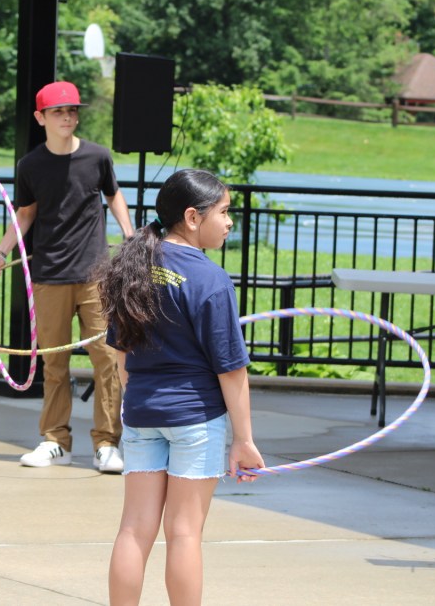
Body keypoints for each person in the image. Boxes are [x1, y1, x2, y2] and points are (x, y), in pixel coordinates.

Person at [99, 169, 265, 606]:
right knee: (185, 533)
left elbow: (121, 354)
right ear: (192, 217)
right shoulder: (211, 280)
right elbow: (231, 370)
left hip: (141, 414)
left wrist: (137, 400)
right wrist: (243, 440)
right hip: (194, 419)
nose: (229, 221)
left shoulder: (134, 267)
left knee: (134, 529)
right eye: (223, 212)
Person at [0, 81, 134, 472]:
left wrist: (130, 236)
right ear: (41, 118)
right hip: (49, 273)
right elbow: (25, 214)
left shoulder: (97, 156)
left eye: (72, 111)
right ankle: (55, 441)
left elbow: (113, 194)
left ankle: (106, 444)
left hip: (96, 272)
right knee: (54, 363)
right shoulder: (30, 165)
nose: (67, 117)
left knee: (107, 358)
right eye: (58, 111)